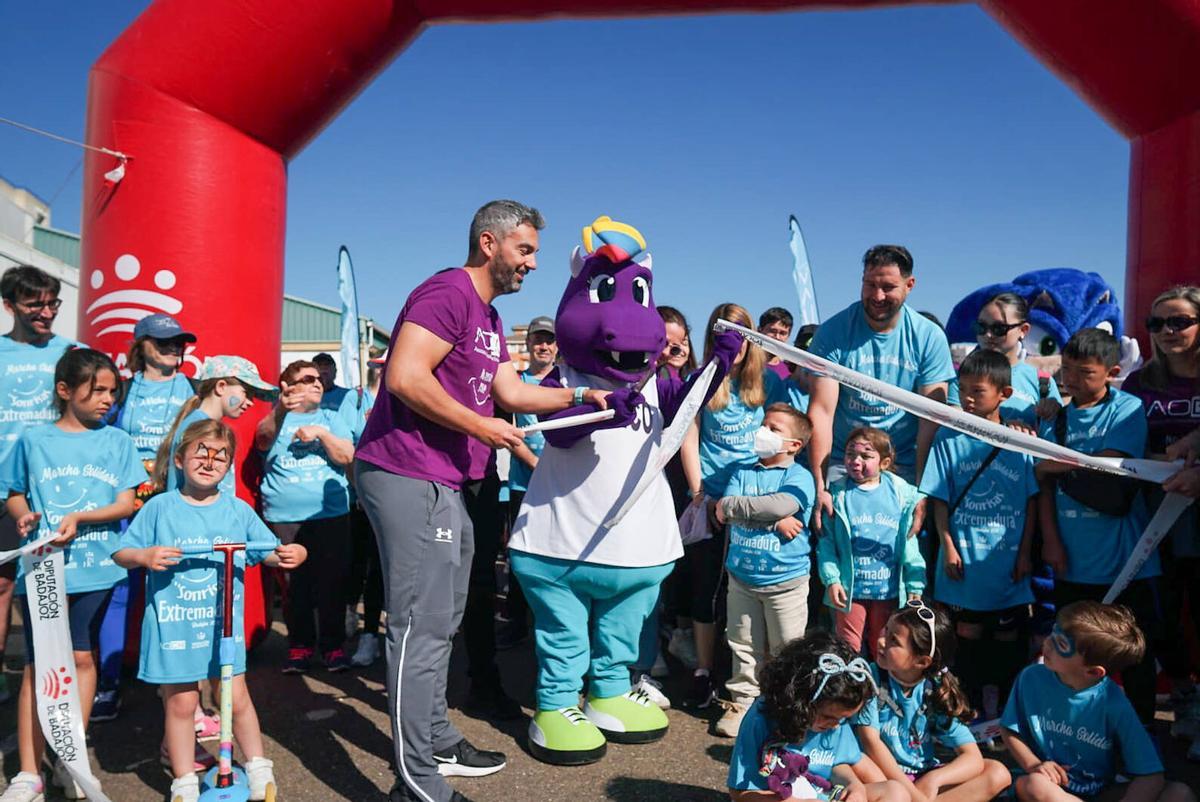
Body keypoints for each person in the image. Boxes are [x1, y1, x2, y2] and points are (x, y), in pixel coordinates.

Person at [353, 200, 613, 802]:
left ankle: (436, 734)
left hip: (445, 480)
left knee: (441, 623)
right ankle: (415, 780)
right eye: (525, 251)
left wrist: (583, 398)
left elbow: (512, 390)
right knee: (418, 630)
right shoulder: (447, 294)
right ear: (490, 243)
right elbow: (404, 376)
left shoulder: (491, 318)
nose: (532, 265)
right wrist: (479, 425)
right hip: (405, 472)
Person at [113, 419, 307, 802]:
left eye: (220, 456)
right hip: (174, 627)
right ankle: (184, 779)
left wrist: (292, 553)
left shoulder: (237, 510)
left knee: (235, 698)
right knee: (182, 702)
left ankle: (257, 767)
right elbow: (122, 554)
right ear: (180, 459)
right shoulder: (158, 509)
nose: (210, 461)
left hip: (222, 628)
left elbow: (268, 551)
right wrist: (144, 555)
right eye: (201, 453)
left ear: (229, 466)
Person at [2, 348, 145, 801]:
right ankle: (29, 772)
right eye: (97, 390)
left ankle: (71, 757)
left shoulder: (117, 441)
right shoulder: (33, 439)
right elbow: (15, 494)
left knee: (82, 658)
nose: (107, 399)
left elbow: (128, 503)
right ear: (65, 390)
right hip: (43, 567)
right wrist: (25, 517)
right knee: (39, 664)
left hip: (97, 567)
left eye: (111, 392)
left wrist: (82, 518)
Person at [1035, 328, 1159, 725]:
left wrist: (1056, 461)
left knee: (1135, 653)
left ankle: (1141, 732)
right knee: (1074, 649)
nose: (1071, 379)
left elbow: (1112, 463)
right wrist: (1051, 544)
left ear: (1112, 371)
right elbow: (1042, 482)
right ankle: (1077, 727)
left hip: (1128, 561)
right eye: (1066, 369)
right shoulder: (1054, 420)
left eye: (1084, 372)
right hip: (1074, 560)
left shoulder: (1127, 408)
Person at [680, 302, 788, 709]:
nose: (734, 344)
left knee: (748, 588)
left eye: (741, 335)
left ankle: (750, 673)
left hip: (754, 502)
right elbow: (689, 439)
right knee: (706, 589)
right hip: (711, 498)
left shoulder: (768, 384)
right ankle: (704, 671)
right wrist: (699, 493)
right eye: (725, 335)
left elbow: (785, 435)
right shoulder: (702, 381)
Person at [920, 349, 1038, 715]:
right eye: (963, 389)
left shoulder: (1020, 440)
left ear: (1004, 394)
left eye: (978, 391)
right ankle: (966, 708)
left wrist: (1023, 554)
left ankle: (1002, 710)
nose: (967, 399)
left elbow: (1031, 500)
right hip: (963, 564)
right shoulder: (947, 438)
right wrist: (948, 547)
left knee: (1007, 639)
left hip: (1007, 565)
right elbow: (940, 497)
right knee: (965, 637)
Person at [93, 312, 198, 723]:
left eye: (179, 343)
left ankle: (178, 687)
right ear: (141, 346)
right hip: (126, 509)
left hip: (172, 508)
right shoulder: (120, 390)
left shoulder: (190, 390)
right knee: (120, 593)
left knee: (174, 595)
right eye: (164, 342)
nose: (174, 349)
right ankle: (108, 683)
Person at [807, 245, 955, 523]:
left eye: (888, 287)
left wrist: (921, 492)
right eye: (870, 285)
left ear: (909, 285)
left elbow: (930, 420)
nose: (877, 295)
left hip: (902, 467)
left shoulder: (928, 337)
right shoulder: (834, 332)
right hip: (844, 464)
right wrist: (820, 485)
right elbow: (821, 412)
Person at [1000, 601, 1195, 802]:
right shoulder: (1031, 677)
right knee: (1035, 786)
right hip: (1044, 784)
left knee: (1179, 794)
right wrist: (1033, 765)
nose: (1048, 642)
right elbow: (1008, 730)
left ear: (1093, 671)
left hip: (1099, 792)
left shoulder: (1113, 702)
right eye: (1054, 632)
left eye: (1062, 644)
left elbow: (1151, 776)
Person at [1120, 286, 1200, 725]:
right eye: (1157, 323)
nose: (1167, 331)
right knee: (1162, 610)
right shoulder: (1141, 382)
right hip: (1154, 515)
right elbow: (1121, 441)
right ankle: (1185, 696)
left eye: (1179, 321)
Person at [713, 403, 816, 737]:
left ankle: (786, 706)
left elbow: (781, 504)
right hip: (742, 578)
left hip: (785, 582)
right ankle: (743, 703)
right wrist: (773, 520)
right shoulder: (742, 471)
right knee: (742, 643)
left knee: (786, 647)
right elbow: (722, 510)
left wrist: (767, 511)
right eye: (764, 425)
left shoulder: (799, 477)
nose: (764, 432)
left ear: (794, 446)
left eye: (775, 429)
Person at [0, 265, 76, 708]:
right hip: (2, 488)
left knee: (52, 587)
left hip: (51, 488)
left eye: (53, 303)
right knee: (3, 587)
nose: (47, 312)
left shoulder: (70, 352)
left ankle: (49, 677)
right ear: (10, 306)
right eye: (36, 304)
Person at [853, 603, 1011, 802]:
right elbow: (870, 743)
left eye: (894, 640)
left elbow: (972, 756)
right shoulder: (870, 677)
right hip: (882, 779)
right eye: (886, 630)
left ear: (922, 662)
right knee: (890, 790)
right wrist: (914, 796)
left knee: (997, 772)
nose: (882, 641)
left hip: (922, 777)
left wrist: (934, 779)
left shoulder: (935, 688)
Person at [255, 360, 355, 673]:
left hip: (331, 514)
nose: (317, 382)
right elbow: (262, 439)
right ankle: (299, 647)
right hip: (286, 516)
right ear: (289, 387)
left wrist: (321, 434)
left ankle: (333, 648)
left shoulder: (332, 418)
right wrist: (281, 411)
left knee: (332, 583)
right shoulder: (275, 419)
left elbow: (346, 455)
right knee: (294, 585)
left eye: (320, 378)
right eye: (307, 378)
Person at [726, 631, 907, 802]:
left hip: (823, 794)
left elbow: (836, 763)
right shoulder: (762, 718)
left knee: (895, 791)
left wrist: (854, 785)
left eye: (843, 719)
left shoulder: (835, 719)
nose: (836, 726)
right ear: (802, 700)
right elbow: (739, 793)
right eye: (829, 717)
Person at [817, 427, 925, 658]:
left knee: (883, 645)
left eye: (866, 456)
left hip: (888, 590)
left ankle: (880, 689)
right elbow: (826, 544)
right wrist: (832, 580)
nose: (856, 461)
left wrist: (915, 585)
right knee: (847, 645)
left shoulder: (902, 495)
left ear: (884, 462)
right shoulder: (836, 495)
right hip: (849, 591)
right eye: (850, 454)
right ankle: (851, 689)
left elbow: (910, 543)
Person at [311, 352, 386, 668]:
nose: (381, 371)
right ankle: (349, 612)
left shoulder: (406, 397)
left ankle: (371, 635)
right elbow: (346, 449)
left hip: (391, 499)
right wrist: (359, 488)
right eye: (377, 366)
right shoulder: (356, 400)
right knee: (355, 561)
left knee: (379, 569)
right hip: (357, 497)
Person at [496, 316, 557, 651]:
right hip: (524, 487)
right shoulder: (517, 383)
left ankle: (548, 622)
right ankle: (517, 621)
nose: (543, 346)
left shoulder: (565, 381)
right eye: (538, 340)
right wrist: (537, 465)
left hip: (562, 487)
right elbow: (509, 434)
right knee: (521, 555)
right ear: (529, 344)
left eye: (549, 340)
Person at [152, 356, 278, 495]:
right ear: (221, 387)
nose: (250, 402)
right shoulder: (199, 428)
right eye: (246, 393)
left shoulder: (198, 422)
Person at [959, 293, 1061, 427]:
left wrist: (1053, 411)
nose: (988, 335)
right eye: (981, 327)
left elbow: (1056, 432)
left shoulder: (1042, 382)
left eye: (999, 328)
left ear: (1023, 330)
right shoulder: (961, 375)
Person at [759, 307, 794, 381]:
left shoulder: (791, 372)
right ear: (760, 330)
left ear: (788, 336)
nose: (777, 337)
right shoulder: (745, 364)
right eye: (772, 331)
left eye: (782, 333)